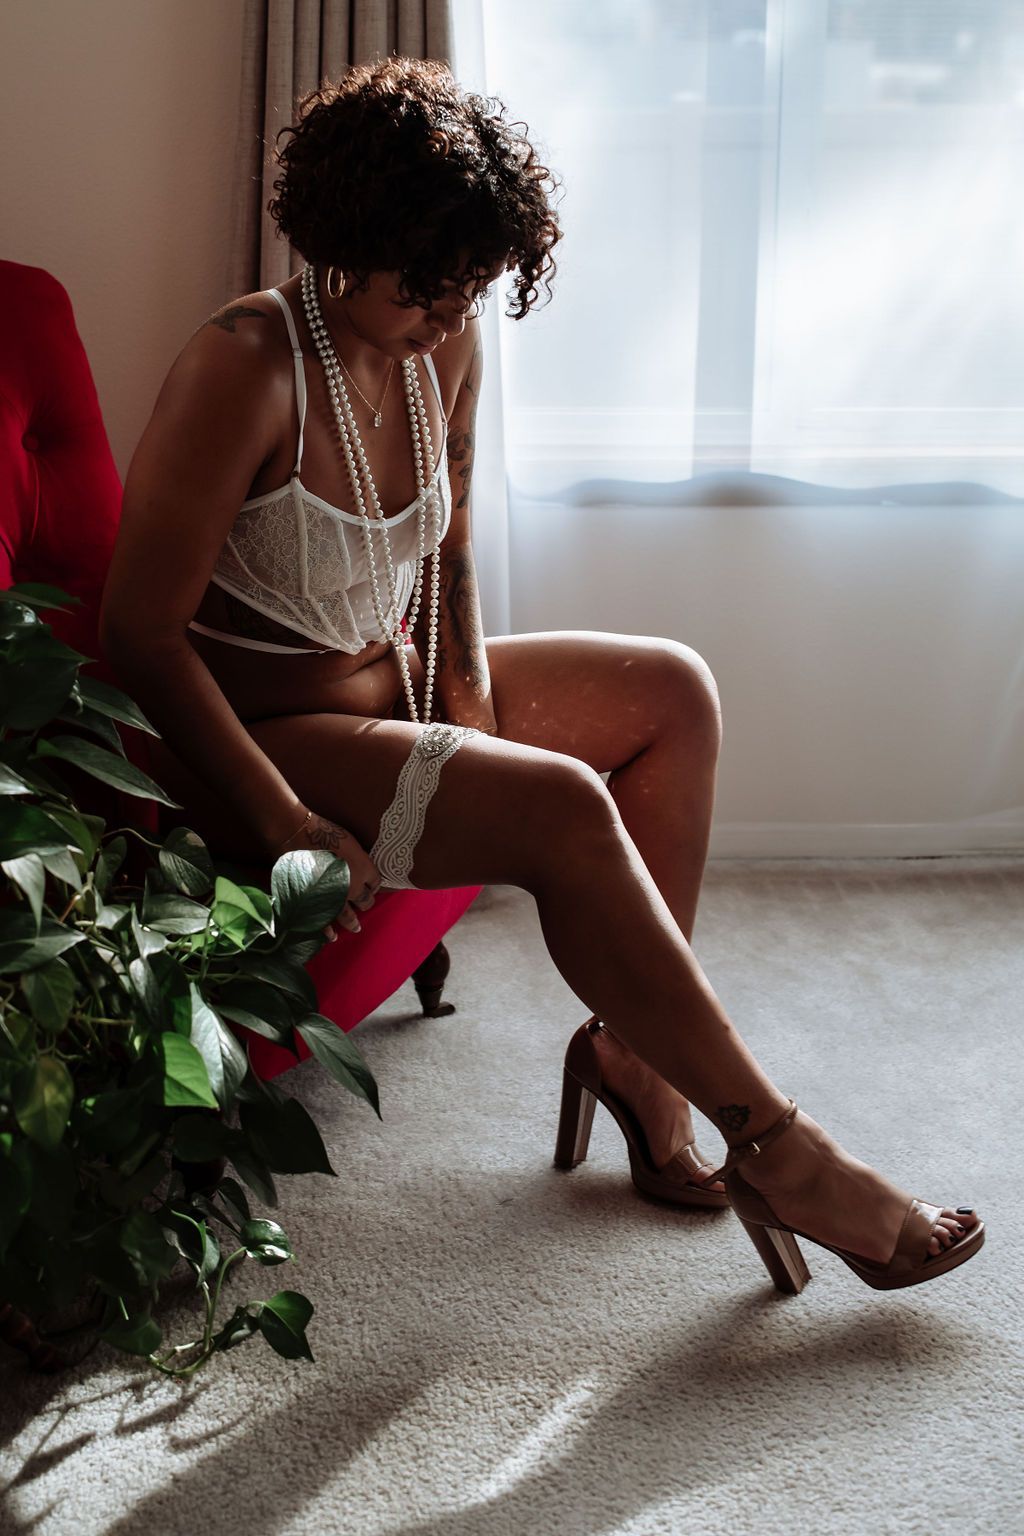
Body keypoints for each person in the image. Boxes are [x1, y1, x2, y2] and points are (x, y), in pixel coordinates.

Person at [100, 56, 983, 1294]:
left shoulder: (437, 346)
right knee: (564, 807)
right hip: (261, 741)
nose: (454, 316)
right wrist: (286, 821)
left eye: (474, 287)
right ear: (352, 237)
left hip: (387, 689)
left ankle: (636, 1058)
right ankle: (785, 1151)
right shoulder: (246, 366)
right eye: (433, 283)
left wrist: (464, 710)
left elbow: (449, 552)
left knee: (671, 689)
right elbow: (138, 632)